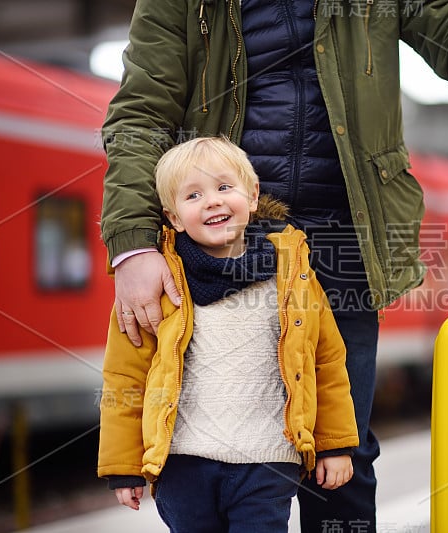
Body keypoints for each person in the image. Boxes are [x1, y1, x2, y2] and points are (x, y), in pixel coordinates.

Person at [100, 2, 448, 530]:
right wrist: (133, 244)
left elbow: (443, 18)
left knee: (343, 452)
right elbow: (141, 113)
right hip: (223, 242)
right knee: (210, 449)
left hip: (344, 233)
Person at [97, 136, 359, 532]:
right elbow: (124, 375)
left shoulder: (292, 278)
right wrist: (124, 465)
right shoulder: (160, 285)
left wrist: (334, 444)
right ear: (173, 217)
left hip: (268, 459)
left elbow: (326, 361)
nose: (213, 201)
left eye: (224, 187)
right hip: (183, 463)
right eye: (194, 195)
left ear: (252, 196)